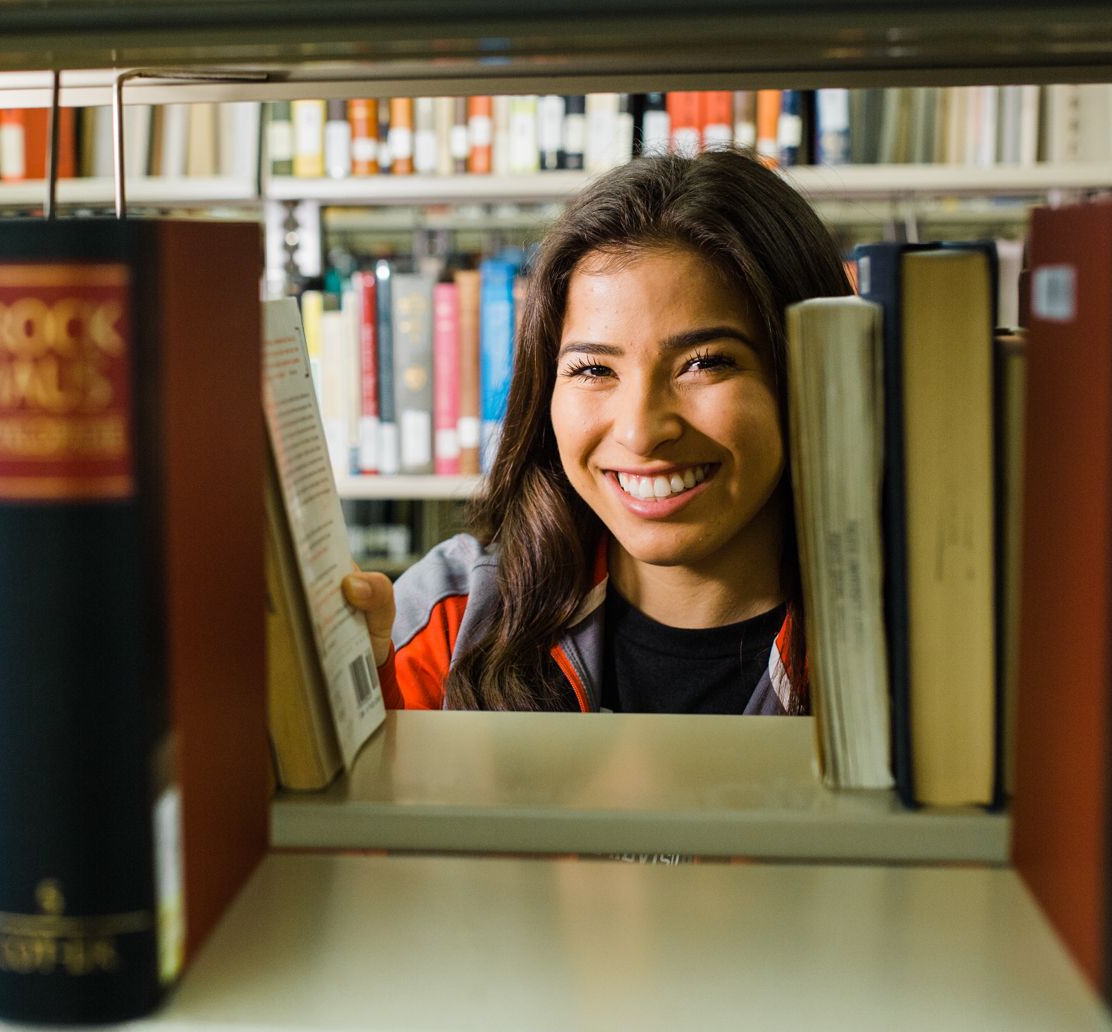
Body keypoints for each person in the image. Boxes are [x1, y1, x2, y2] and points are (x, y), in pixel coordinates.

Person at [342, 149, 852, 714]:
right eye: (593, 369)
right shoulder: (451, 621)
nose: (640, 432)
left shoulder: (915, 644)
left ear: (810, 372)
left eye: (705, 362)